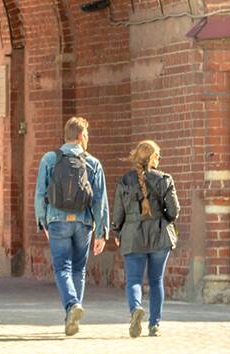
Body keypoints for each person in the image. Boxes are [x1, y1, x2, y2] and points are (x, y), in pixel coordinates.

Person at [34, 116, 109, 336]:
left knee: (62, 268)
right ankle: (73, 314)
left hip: (57, 220)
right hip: (83, 222)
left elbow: (40, 193)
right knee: (78, 269)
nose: (88, 138)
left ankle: (72, 306)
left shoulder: (50, 159)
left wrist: (43, 221)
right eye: (86, 134)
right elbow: (99, 199)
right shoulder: (93, 162)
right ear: (80, 135)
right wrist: (102, 232)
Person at [112, 140, 180, 338]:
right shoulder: (165, 179)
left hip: (133, 235)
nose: (159, 159)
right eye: (158, 155)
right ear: (151, 158)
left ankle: (135, 309)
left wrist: (117, 232)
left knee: (133, 279)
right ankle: (154, 325)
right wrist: (164, 220)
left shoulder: (125, 181)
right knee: (156, 280)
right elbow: (174, 210)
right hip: (159, 234)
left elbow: (118, 212)